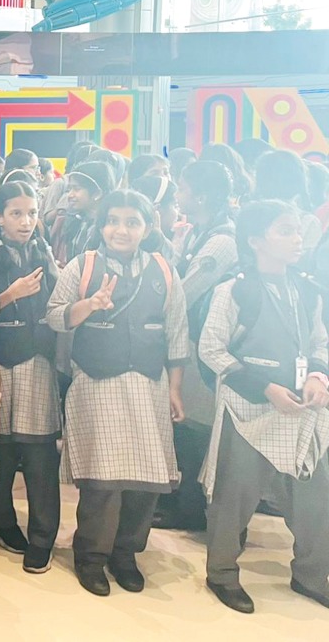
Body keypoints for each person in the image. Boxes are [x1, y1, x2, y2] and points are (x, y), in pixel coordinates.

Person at [46, 190, 189, 597]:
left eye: (132, 222)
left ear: (147, 227)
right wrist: (88, 305)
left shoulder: (163, 270)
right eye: (113, 221)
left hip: (149, 385)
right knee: (101, 482)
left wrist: (175, 389)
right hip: (95, 384)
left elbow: (177, 331)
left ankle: (126, 553)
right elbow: (55, 316)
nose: (121, 230)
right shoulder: (83, 266)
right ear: (101, 224)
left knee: (147, 480)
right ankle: (91, 556)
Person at [199, 200, 329, 614]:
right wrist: (265, 387)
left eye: (297, 231)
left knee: (315, 498)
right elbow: (211, 349)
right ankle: (221, 574)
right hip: (247, 411)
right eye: (285, 231)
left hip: (301, 411)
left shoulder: (308, 291)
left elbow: (319, 344)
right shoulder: (234, 290)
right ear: (256, 240)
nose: (297, 239)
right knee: (233, 497)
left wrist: (317, 377)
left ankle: (311, 574)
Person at [0, 181, 61, 574]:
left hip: (37, 364)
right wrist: (10, 294)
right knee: (1, 453)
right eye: (16, 213)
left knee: (41, 455)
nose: (25, 222)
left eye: (31, 213)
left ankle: (43, 538)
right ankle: (4, 524)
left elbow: (60, 305)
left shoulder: (45, 252)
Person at [158, 161, 237, 532]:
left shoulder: (221, 241)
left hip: (203, 350)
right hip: (189, 341)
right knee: (184, 424)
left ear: (201, 196)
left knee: (195, 426)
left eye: (183, 189)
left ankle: (189, 507)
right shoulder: (198, 232)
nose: (177, 195)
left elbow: (185, 293)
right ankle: (180, 500)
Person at [49, 161, 115, 267]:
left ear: (97, 193)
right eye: (69, 189)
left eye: (77, 189)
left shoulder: (109, 227)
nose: (70, 195)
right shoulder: (75, 220)